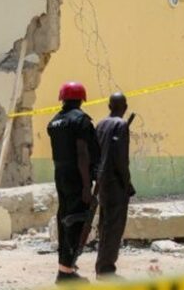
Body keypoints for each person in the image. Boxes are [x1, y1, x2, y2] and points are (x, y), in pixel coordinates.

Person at [47, 81, 100, 284]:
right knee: (77, 219)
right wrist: (87, 185)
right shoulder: (81, 121)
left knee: (64, 217)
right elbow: (82, 154)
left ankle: (65, 267)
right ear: (80, 99)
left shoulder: (54, 122)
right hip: (78, 175)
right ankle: (66, 272)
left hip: (60, 175)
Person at [95, 92, 135, 279]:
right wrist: (127, 183)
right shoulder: (121, 125)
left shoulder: (101, 124)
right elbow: (121, 159)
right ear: (124, 106)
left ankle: (102, 264)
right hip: (115, 183)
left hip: (102, 182)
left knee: (105, 224)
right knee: (114, 227)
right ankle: (106, 268)